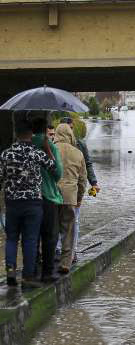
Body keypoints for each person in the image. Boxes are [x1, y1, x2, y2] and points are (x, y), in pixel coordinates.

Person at [0, 115, 56, 288]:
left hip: (12, 203)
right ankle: (28, 277)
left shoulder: (6, 154)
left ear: (16, 134)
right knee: (30, 239)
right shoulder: (36, 153)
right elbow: (53, 168)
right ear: (31, 134)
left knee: (11, 238)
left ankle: (10, 271)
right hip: (33, 203)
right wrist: (47, 147)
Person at [59, 117, 99, 263]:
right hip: (67, 191)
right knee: (62, 222)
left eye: (70, 128)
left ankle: (71, 251)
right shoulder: (53, 146)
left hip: (73, 189)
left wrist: (93, 183)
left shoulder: (80, 145)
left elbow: (87, 165)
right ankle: (61, 252)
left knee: (73, 221)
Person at [32, 118, 64, 283]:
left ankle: (31, 271)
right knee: (49, 236)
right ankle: (47, 273)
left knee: (32, 236)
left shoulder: (24, 145)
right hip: (48, 196)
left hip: (29, 197)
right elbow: (58, 173)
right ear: (46, 130)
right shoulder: (49, 146)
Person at [54, 124, 87, 274]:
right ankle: (66, 263)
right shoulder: (78, 153)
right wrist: (79, 198)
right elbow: (82, 180)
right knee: (68, 230)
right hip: (70, 197)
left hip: (51, 196)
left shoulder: (49, 150)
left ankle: (47, 259)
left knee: (50, 229)